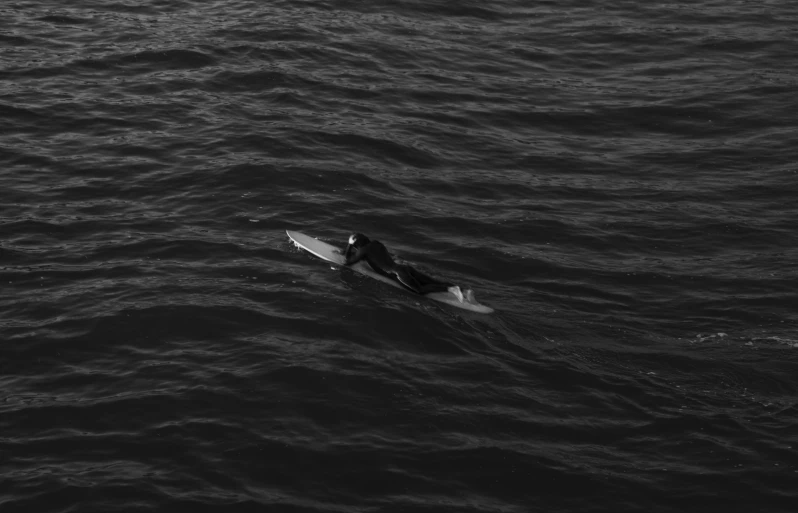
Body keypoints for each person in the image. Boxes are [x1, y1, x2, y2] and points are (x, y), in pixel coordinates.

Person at [342, 233, 467, 302]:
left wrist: (349, 246)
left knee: (420, 290)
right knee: (431, 281)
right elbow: (371, 256)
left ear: (357, 245)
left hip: (398, 275)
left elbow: (348, 262)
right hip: (403, 268)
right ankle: (464, 291)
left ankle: (451, 289)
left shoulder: (363, 251)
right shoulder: (375, 244)